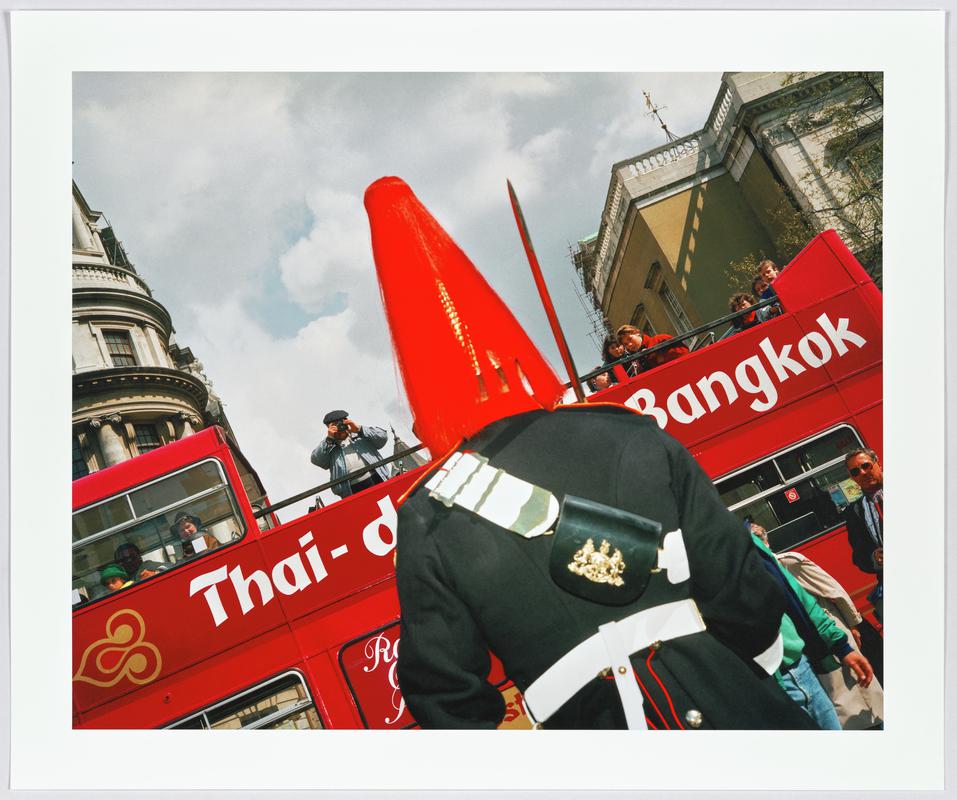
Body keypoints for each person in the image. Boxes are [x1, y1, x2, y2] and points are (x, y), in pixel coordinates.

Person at [364, 175, 817, 730]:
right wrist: (749, 665)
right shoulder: (628, 433)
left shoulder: (427, 516)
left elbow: (442, 692)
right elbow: (735, 577)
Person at [749, 525, 873, 730]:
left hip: (822, 636)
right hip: (805, 649)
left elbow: (830, 590)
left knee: (854, 699)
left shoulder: (787, 562)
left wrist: (852, 624)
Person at [776, 547, 884, 729]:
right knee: (842, 701)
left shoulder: (787, 563)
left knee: (860, 696)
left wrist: (853, 624)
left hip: (831, 632)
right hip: (814, 643)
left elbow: (834, 591)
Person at [842, 448, 884, 623]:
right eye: (855, 471)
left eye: (866, 465)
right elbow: (858, 555)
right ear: (852, 478)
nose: (863, 473)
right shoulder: (855, 511)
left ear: (877, 463)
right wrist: (874, 558)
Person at [310, 410, 390, 498]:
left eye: (341, 423)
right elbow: (316, 460)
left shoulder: (361, 436)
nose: (340, 428)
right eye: (335, 425)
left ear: (347, 421)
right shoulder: (329, 448)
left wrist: (359, 429)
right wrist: (329, 439)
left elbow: (383, 436)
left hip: (376, 477)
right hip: (351, 489)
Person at [616, 324, 688, 376]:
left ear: (637, 332)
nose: (629, 345)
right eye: (625, 344)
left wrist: (658, 357)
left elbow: (685, 353)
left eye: (630, 339)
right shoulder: (634, 362)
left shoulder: (660, 339)